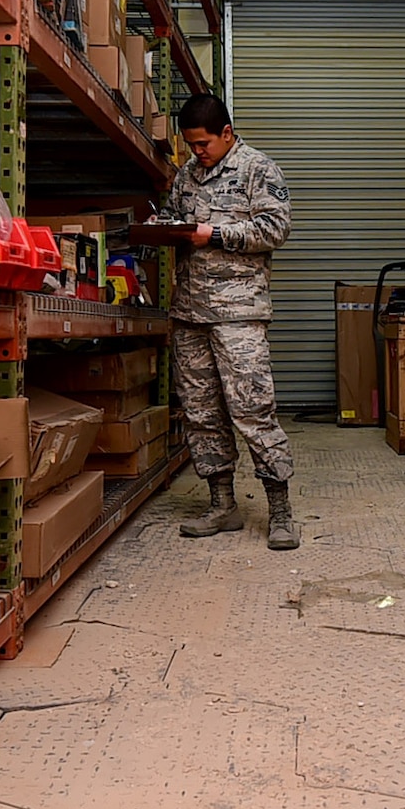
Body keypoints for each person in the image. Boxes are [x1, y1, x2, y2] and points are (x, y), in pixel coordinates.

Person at [159, 93, 298, 549]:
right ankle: (222, 505)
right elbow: (178, 220)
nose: (197, 153)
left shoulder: (259, 168)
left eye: (203, 144)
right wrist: (163, 228)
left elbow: (275, 229)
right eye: (190, 145)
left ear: (226, 133)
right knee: (201, 413)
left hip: (238, 312)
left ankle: (280, 511)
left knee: (253, 410)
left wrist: (214, 234)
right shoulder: (186, 176)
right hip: (190, 313)